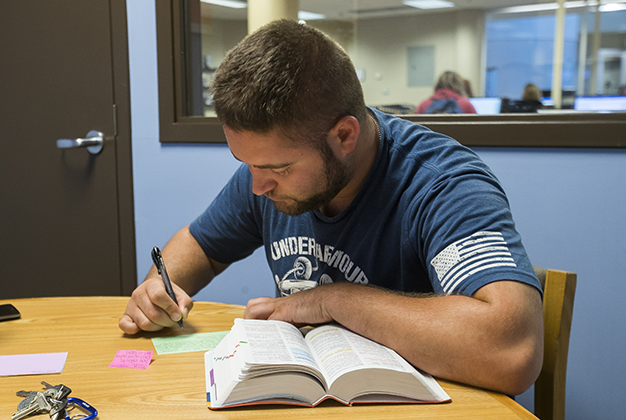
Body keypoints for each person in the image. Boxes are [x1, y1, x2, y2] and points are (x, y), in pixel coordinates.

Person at [119, 20, 542, 396]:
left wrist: (332, 301)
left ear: (344, 136)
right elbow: (200, 244)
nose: (258, 185)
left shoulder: (441, 184)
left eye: (279, 168)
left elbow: (513, 351)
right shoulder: (265, 176)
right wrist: (161, 286)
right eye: (246, 164)